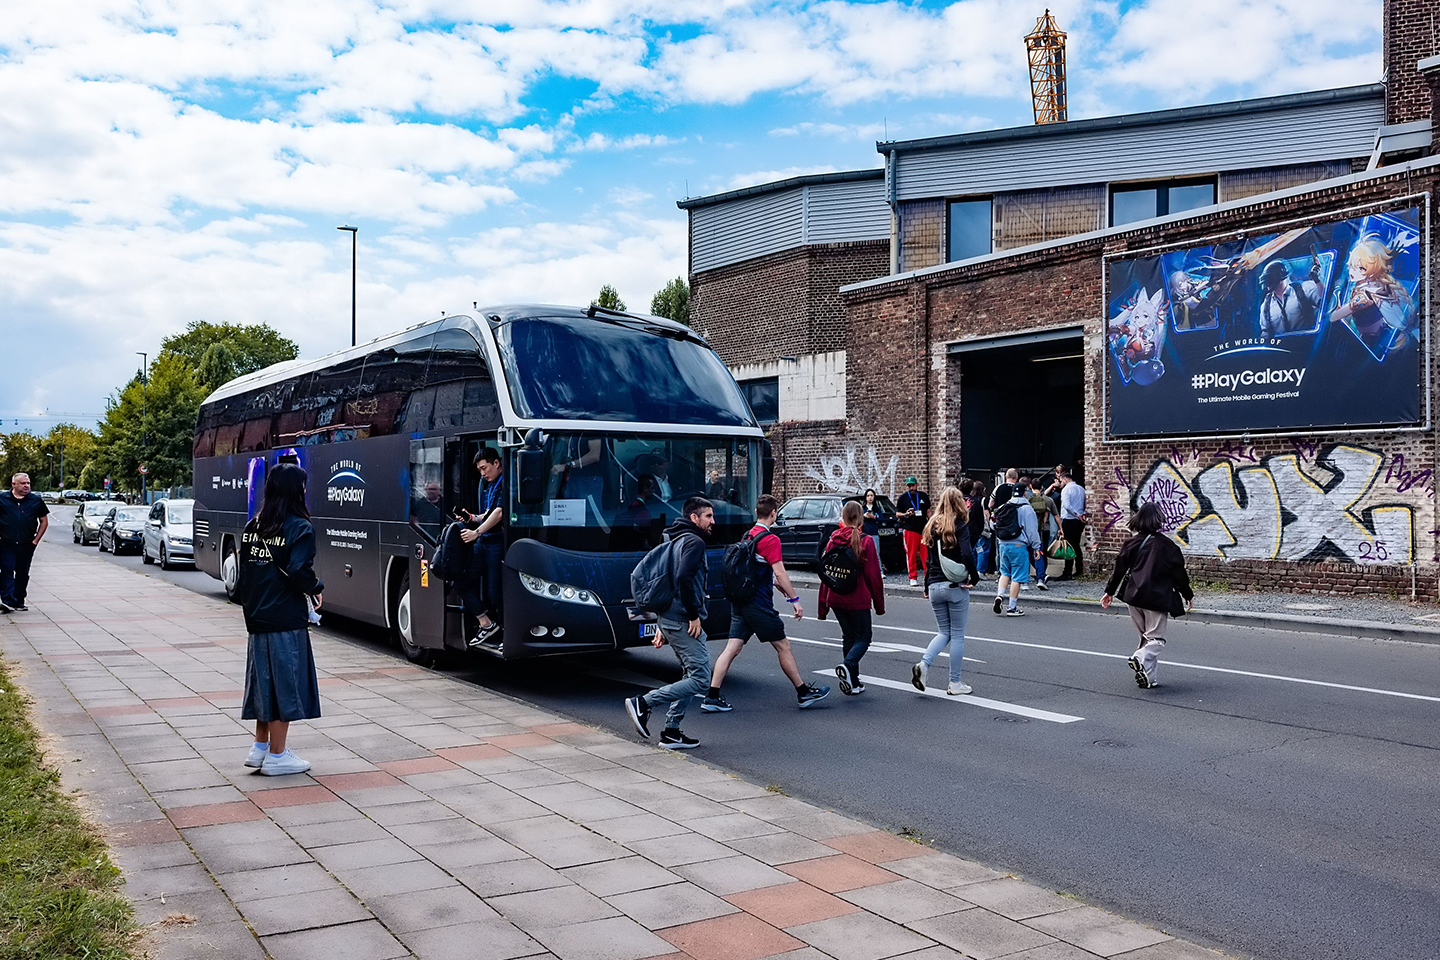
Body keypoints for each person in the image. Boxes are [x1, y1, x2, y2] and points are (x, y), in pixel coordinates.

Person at [703, 495, 830, 713]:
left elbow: (753, 568)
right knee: (783, 646)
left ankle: (712, 696)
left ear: (756, 512)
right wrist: (794, 600)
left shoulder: (748, 535)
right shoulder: (771, 540)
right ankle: (803, 693)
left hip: (740, 601)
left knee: (732, 647)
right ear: (774, 513)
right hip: (758, 603)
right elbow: (780, 571)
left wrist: (772, 582)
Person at [238, 463, 324, 776]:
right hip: (285, 616)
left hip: (258, 615)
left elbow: (244, 575)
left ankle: (260, 747)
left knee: (264, 681)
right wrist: (316, 589)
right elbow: (300, 573)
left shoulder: (254, 525)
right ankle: (278, 755)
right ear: (295, 489)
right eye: (302, 485)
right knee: (284, 684)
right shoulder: (300, 527)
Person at [624, 497, 715, 749]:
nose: (713, 521)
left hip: (672, 618)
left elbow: (670, 583)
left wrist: (665, 626)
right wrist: (693, 614)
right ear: (694, 518)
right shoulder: (694, 541)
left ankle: (672, 731)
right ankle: (644, 702)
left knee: (690, 673)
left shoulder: (677, 539)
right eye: (708, 516)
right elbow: (683, 578)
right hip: (684, 620)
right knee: (700, 679)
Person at [1101, 502, 1194, 690]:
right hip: (1156, 598)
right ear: (1159, 520)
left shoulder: (1130, 543)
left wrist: (1109, 592)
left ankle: (1149, 678)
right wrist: (1188, 594)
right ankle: (1139, 657)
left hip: (1133, 596)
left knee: (1145, 638)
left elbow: (1119, 569)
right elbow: (1179, 575)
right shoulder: (1168, 546)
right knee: (1156, 640)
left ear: (1138, 520)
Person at [913, 487, 978, 695]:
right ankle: (955, 683)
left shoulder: (931, 525)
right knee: (957, 635)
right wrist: (973, 577)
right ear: (959, 503)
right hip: (954, 586)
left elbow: (927, 560)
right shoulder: (959, 525)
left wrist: (926, 585)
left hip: (933, 585)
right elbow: (967, 555)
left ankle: (924, 664)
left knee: (943, 632)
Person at [817, 501, 885, 696]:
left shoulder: (833, 540)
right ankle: (848, 666)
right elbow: (873, 576)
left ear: (844, 517)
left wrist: (823, 606)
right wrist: (879, 605)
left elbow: (826, 573)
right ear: (861, 517)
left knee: (848, 636)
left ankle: (853, 682)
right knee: (864, 637)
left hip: (836, 597)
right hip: (858, 597)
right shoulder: (866, 541)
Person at [462, 448, 506, 649]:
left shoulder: (506, 481)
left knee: (495, 593)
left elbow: (498, 514)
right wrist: (471, 518)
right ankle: (486, 623)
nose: (482, 474)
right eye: (479, 470)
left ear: (496, 463)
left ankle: (506, 634)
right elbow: (487, 513)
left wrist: (476, 532)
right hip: (483, 542)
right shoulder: (490, 485)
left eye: (484, 468)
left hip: (495, 543)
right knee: (461, 581)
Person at [0, 473, 48, 613]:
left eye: (28, 483)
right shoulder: (3, 499)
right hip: (6, 543)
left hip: (26, 544)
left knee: (22, 573)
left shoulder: (35, 500)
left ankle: (19, 601)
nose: (26, 486)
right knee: (7, 570)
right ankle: (7, 601)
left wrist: (35, 540)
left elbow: (44, 521)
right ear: (14, 484)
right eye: (23, 483)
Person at [991, 482, 1041, 617]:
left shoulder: (1003, 506)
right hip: (1019, 545)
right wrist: (1036, 547)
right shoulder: (1027, 508)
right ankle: (1012, 607)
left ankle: (1000, 595)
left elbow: (993, 522)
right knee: (1017, 577)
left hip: (1003, 544)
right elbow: (1032, 530)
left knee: (1005, 573)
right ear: (1025, 493)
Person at [1258, 259, 1322, 338]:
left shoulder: (1304, 289)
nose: (1268, 284)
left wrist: (1317, 281)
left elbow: (1326, 303)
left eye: (1270, 278)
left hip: (1308, 342)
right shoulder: (1265, 305)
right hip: (1282, 347)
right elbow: (1266, 332)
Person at [896, 476, 931, 586]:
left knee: (926, 555)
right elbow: (897, 513)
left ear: (917, 484)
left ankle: (928, 576)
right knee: (911, 554)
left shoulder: (923, 496)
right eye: (909, 486)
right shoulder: (903, 498)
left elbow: (928, 511)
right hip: (910, 529)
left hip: (923, 529)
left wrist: (932, 523)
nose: (911, 487)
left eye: (913, 485)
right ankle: (913, 577)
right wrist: (906, 514)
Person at [1027, 477, 1057, 591]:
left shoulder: (1028, 500)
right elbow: (1051, 516)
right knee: (1039, 554)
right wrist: (1060, 529)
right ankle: (1041, 577)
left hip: (1028, 531)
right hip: (1040, 531)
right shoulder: (1047, 500)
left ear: (1030, 486)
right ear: (1042, 487)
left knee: (1028, 554)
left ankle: (1025, 579)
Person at [1057, 470, 1087, 580]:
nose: (1060, 484)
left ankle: (1067, 571)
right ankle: (1079, 569)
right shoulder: (1081, 489)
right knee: (1076, 545)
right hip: (1079, 521)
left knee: (1068, 546)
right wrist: (1082, 514)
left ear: (1065, 479)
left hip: (1069, 519)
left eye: (1061, 481)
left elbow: (1067, 505)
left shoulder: (1066, 490)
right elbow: (1085, 503)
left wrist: (1076, 514)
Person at [860, 488, 882, 559]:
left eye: (871, 495)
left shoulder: (877, 508)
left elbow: (881, 519)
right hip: (864, 533)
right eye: (868, 495)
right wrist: (864, 516)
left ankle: (879, 570)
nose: (870, 497)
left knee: (876, 553)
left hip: (874, 533)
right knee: (865, 553)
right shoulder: (862, 508)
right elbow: (858, 520)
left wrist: (874, 517)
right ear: (865, 497)